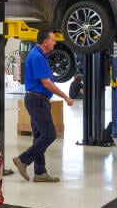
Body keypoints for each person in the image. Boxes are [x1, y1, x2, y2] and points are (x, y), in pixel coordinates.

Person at [13, 29, 73, 183]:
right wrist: (65, 96)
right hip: (37, 100)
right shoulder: (37, 57)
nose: (55, 42)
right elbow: (47, 83)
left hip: (37, 99)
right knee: (49, 135)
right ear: (45, 42)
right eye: (52, 40)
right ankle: (23, 160)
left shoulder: (39, 55)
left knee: (40, 136)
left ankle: (40, 173)